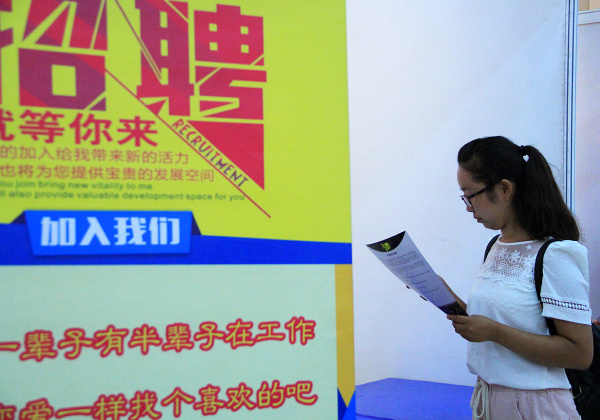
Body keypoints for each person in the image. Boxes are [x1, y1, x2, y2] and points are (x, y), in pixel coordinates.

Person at [445, 136, 594, 419]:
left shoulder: (556, 254)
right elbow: (494, 323)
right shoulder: (495, 246)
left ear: (504, 189)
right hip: (488, 398)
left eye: (470, 195)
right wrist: (442, 294)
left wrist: (495, 332)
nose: (467, 206)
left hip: (535, 405)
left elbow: (579, 353)